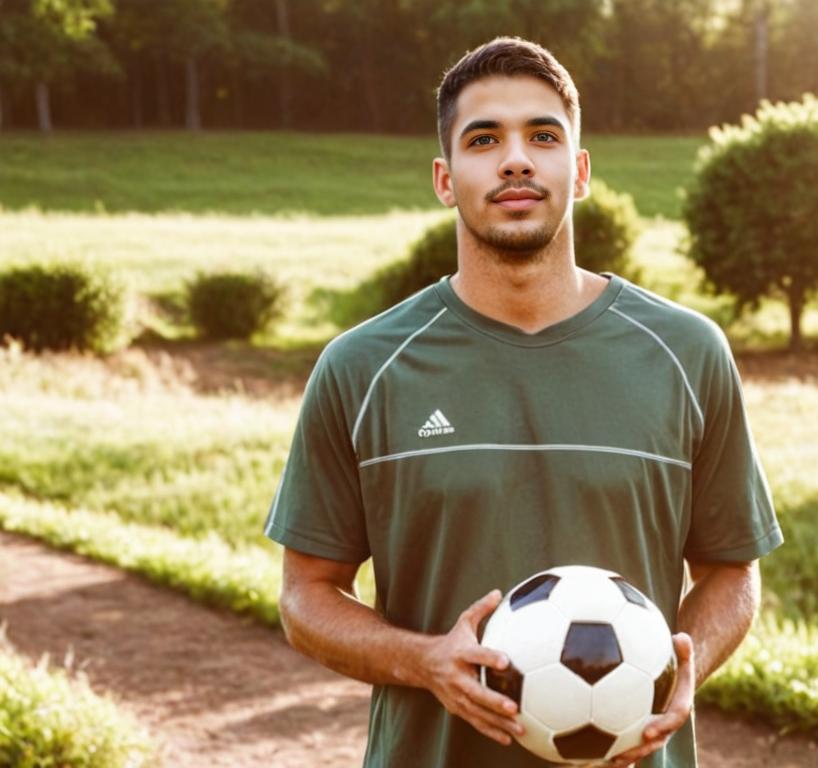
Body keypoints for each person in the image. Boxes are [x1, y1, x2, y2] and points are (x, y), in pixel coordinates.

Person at [264, 36, 782, 768]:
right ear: (446, 179)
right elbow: (305, 598)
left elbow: (732, 570)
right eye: (484, 139)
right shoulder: (364, 367)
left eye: (543, 135)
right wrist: (424, 661)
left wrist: (674, 669)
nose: (516, 159)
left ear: (580, 170)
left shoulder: (686, 354)